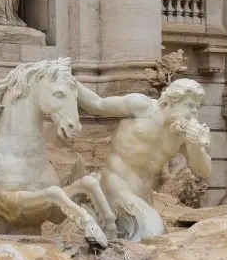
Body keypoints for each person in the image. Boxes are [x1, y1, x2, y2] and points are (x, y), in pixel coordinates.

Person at [74, 78, 211, 240]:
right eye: (189, 106)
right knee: (152, 233)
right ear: (172, 101)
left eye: (197, 107)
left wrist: (196, 146)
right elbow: (97, 104)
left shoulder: (181, 135)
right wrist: (70, 82)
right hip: (116, 183)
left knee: (142, 239)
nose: (194, 112)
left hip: (143, 195)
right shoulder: (142, 107)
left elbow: (203, 171)